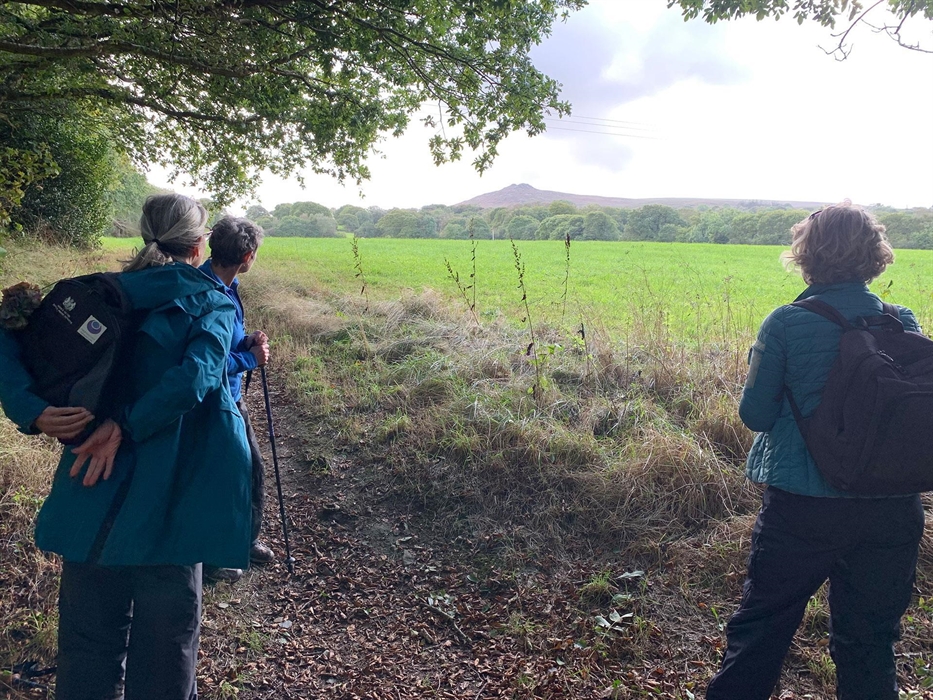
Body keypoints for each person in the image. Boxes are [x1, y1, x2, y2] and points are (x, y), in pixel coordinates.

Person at [0, 193, 252, 699]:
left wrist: (30, 409)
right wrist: (126, 427)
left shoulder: (96, 293)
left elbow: (10, 340)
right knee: (165, 656)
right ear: (199, 246)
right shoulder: (211, 302)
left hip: (88, 494)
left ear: (144, 234)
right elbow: (197, 378)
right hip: (171, 510)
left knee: (87, 650)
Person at [706, 201, 927, 700]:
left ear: (807, 255)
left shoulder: (785, 323)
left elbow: (756, 416)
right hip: (892, 509)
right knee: (870, 643)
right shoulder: (901, 320)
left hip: (802, 509)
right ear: (875, 255)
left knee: (761, 631)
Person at [198, 215, 273, 583]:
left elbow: (224, 342)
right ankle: (213, 559)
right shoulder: (208, 293)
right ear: (247, 255)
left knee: (249, 471)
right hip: (212, 403)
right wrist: (250, 359)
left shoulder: (227, 285)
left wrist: (245, 341)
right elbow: (206, 364)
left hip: (229, 397)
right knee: (229, 475)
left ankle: (243, 542)